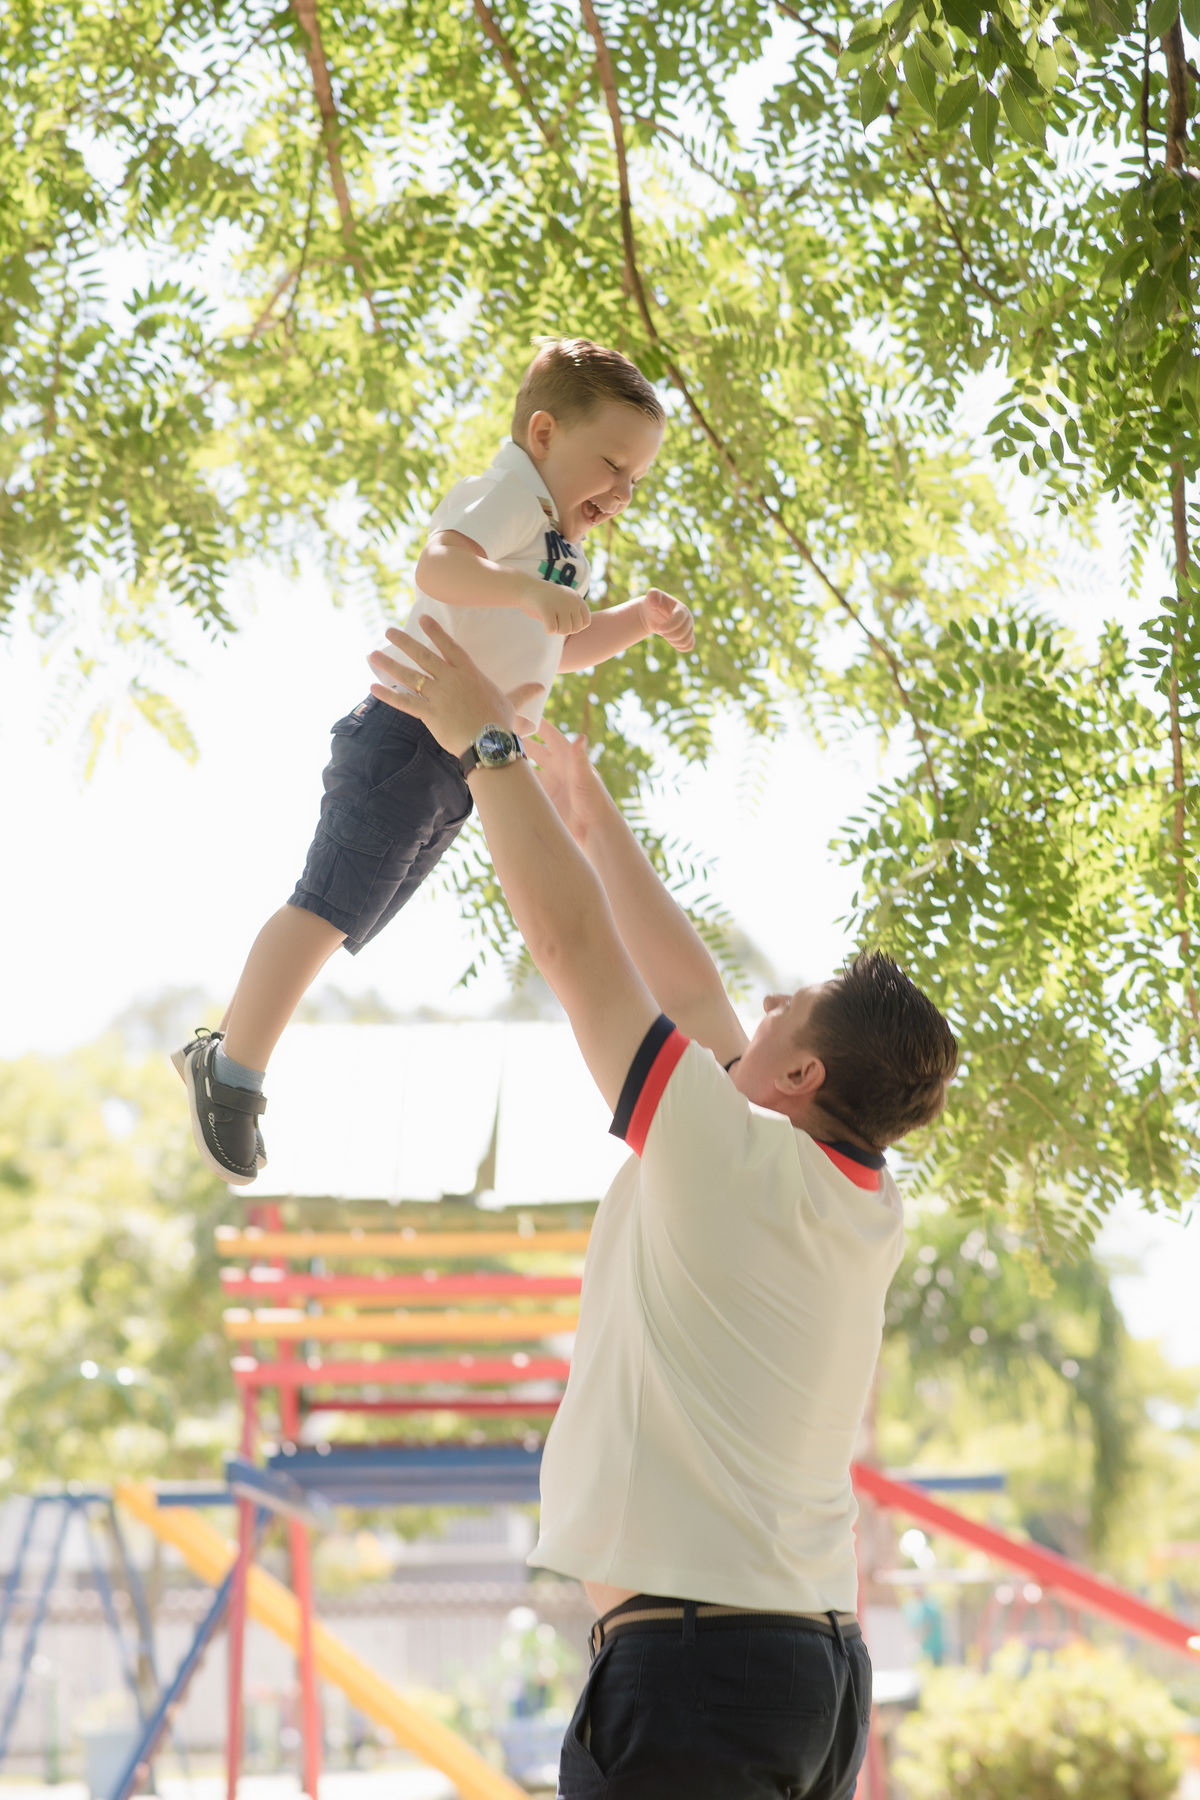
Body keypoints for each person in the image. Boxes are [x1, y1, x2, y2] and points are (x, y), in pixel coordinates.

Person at [367, 617, 959, 1800]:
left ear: (801, 1081)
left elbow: (571, 942)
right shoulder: (848, 1196)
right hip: (806, 1673)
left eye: (794, 1004)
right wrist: (588, 814)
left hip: (703, 1677)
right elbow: (686, 990)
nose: (771, 995)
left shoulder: (726, 1155)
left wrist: (486, 742)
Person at [175, 338, 694, 1184]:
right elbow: (441, 565)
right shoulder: (510, 497)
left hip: (454, 763)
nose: (622, 493)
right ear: (543, 433)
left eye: (637, 479)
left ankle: (230, 1052)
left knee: (350, 915)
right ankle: (231, 1074)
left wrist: (631, 618)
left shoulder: (560, 545)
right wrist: (528, 590)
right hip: (408, 736)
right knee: (327, 907)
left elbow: (555, 648)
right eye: (611, 465)